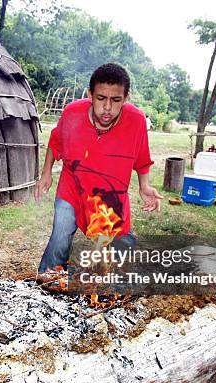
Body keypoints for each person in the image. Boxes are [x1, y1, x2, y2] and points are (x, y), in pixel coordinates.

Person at [34, 63, 163, 273]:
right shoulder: (72, 113)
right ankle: (45, 282)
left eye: (116, 100)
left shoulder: (137, 120)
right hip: (73, 189)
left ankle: (116, 293)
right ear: (90, 95)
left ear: (126, 98)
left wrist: (145, 186)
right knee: (60, 238)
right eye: (101, 98)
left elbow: (141, 157)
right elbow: (55, 142)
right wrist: (46, 173)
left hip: (111, 194)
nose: (107, 108)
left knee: (122, 250)